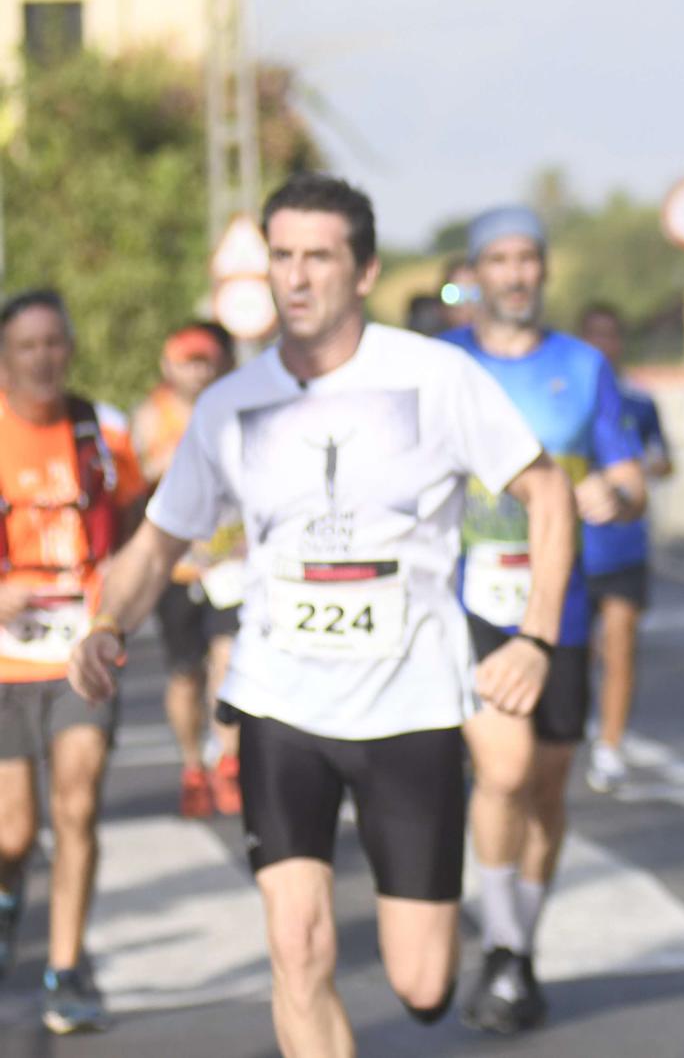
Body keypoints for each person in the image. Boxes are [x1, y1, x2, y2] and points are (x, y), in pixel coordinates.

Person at [69, 175, 576, 1058]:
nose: (296, 278)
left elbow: (547, 492)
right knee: (296, 944)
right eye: (282, 256)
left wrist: (535, 634)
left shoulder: (433, 375)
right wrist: (109, 621)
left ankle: (449, 949)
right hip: (278, 704)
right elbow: (156, 544)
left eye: (319, 256)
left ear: (366, 269)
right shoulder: (228, 406)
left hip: (410, 705)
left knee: (421, 982)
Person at [440, 208, 646, 1034]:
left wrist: (613, 493)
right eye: (501, 259)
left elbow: (628, 472)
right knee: (505, 769)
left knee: (549, 786)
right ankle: (496, 943)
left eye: (529, 259)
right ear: (478, 271)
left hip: (558, 603)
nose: (517, 274)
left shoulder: (583, 366)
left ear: (544, 270)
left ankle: (517, 948)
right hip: (464, 601)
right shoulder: (442, 363)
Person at [0, 290, 147, 1034]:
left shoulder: (102, 434)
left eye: (55, 342)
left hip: (79, 647)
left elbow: (140, 523)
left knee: (77, 803)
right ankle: (6, 893)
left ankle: (66, 965)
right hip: (2, 658)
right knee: (11, 830)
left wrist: (116, 594)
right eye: (28, 345)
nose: (44, 358)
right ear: (4, 354)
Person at [131, 321, 247, 819]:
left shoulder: (235, 408)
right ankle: (191, 763)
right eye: (188, 361)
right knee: (184, 676)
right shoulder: (151, 416)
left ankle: (227, 761)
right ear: (168, 365)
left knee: (229, 662)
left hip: (230, 564)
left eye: (206, 360)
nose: (198, 371)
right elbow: (135, 485)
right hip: (177, 570)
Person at [575, 302, 672, 796]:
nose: (602, 345)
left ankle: (610, 747)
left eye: (610, 335)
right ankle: (580, 729)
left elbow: (663, 461)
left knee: (620, 647)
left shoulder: (639, 402)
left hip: (623, 547)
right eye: (593, 335)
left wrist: (639, 475)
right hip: (569, 551)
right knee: (579, 655)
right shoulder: (565, 399)